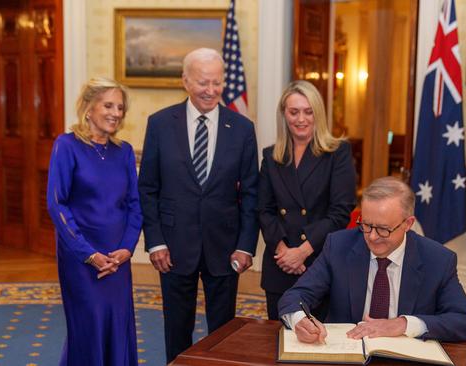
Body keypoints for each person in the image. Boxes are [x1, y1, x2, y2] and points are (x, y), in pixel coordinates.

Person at [138, 48, 259, 364]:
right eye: (203, 82)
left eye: (217, 83)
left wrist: (246, 246)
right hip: (173, 247)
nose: (211, 91)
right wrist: (155, 242)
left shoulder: (243, 129)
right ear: (186, 81)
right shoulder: (161, 124)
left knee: (223, 331)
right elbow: (148, 188)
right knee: (176, 329)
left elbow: (251, 193)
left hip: (225, 246)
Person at [278, 176, 466, 344]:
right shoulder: (338, 246)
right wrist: (299, 320)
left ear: (408, 224)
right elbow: (295, 296)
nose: (372, 237)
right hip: (348, 354)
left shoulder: (438, 260)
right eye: (366, 225)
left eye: (383, 229)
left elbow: (465, 322)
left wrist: (403, 324)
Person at [46, 77, 142, 365]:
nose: (116, 113)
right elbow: (56, 203)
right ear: (89, 108)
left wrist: (126, 249)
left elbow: (135, 204)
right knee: (88, 326)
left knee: (117, 322)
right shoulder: (66, 145)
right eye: (108, 105)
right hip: (81, 259)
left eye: (121, 107)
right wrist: (88, 254)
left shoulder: (123, 150)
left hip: (117, 258)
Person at [259, 80, 356, 321]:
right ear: (284, 115)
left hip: (319, 262)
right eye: (294, 112)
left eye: (308, 111)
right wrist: (284, 252)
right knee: (279, 340)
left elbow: (340, 212)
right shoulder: (271, 157)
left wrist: (302, 252)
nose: (301, 119)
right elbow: (264, 209)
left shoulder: (338, 153)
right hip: (279, 264)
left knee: (319, 344)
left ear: (318, 114)